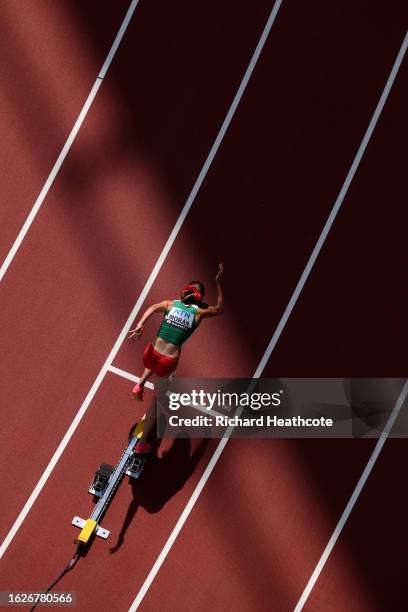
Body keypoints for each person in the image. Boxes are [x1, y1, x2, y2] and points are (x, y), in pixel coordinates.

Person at [128, 263, 224, 453]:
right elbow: (219, 309)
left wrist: (140, 324)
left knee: (154, 360)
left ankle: (139, 384)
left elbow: (153, 307)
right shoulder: (198, 314)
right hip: (167, 362)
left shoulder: (170, 305)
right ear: (200, 299)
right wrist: (218, 282)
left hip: (150, 355)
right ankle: (142, 444)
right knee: (158, 401)